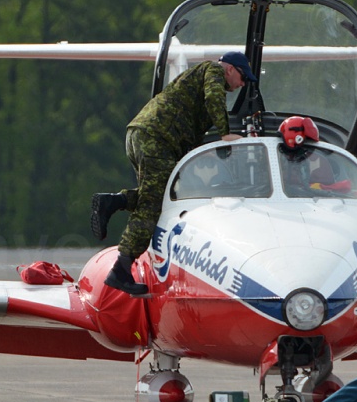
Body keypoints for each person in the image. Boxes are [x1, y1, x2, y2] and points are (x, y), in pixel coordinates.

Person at [90, 52, 256, 295]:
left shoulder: (199, 83)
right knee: (153, 203)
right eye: (242, 77)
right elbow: (213, 97)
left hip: (146, 133)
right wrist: (224, 134)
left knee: (160, 193)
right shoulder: (213, 71)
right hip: (157, 137)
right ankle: (120, 270)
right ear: (230, 69)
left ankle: (114, 201)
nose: (242, 84)